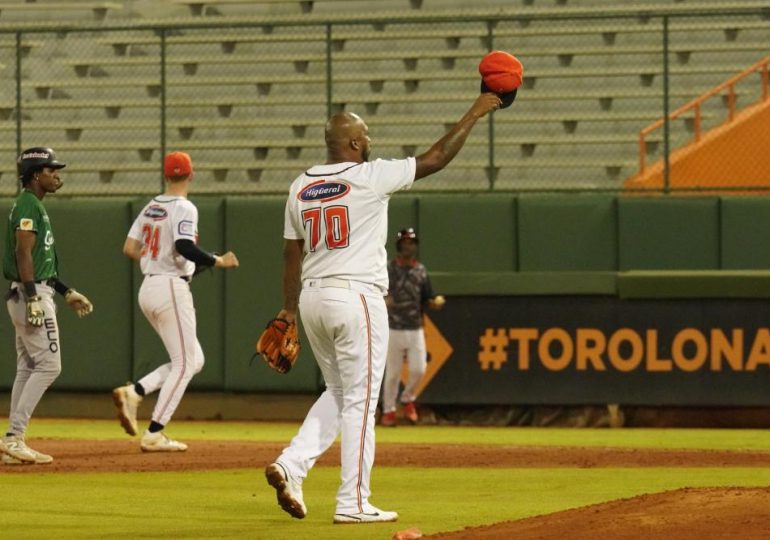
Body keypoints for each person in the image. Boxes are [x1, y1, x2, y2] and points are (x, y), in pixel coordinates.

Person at [264, 92, 501, 524]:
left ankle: (291, 466)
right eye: (365, 134)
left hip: (313, 297)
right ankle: (353, 502)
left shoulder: (300, 184)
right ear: (353, 143)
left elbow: (289, 254)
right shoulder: (370, 176)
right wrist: (475, 111)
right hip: (356, 297)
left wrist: (287, 310)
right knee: (360, 401)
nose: (369, 139)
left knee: (337, 393)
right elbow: (435, 158)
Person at [112, 152, 239, 452]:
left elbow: (130, 248)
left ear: (167, 175)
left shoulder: (151, 206)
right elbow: (184, 246)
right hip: (171, 287)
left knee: (194, 359)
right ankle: (155, 432)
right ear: (191, 175)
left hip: (149, 288)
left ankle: (135, 391)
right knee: (185, 364)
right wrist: (218, 260)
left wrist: (155, 258)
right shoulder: (185, 207)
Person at [0, 147, 94, 465]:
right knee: (50, 366)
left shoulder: (33, 205)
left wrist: (66, 292)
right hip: (30, 294)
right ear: (36, 174)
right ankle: (14, 438)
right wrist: (33, 298)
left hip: (32, 290)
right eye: (51, 169)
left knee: (28, 367)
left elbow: (40, 263)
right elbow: (23, 254)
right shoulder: (28, 204)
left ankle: (13, 441)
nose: (57, 175)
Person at [381, 227, 444, 427]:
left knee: (419, 369)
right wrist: (384, 298)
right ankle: (389, 411)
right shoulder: (389, 268)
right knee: (392, 373)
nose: (408, 246)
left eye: (412, 242)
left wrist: (434, 302)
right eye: (405, 242)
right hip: (393, 327)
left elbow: (427, 297)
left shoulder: (420, 270)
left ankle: (408, 399)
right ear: (399, 245)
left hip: (415, 327)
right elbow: (378, 291)